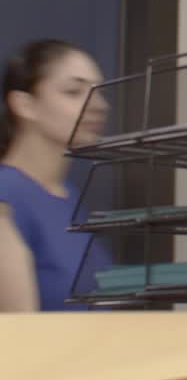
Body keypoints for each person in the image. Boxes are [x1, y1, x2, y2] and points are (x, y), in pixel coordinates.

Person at [0, 39, 112, 312]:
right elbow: (17, 340)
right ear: (25, 105)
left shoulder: (68, 196)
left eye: (98, 91)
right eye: (74, 91)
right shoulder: (7, 198)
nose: (99, 105)